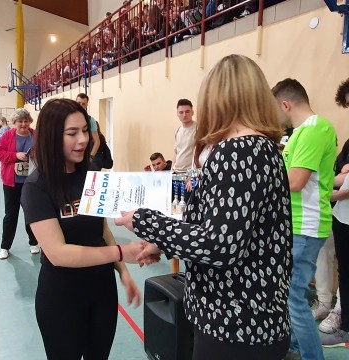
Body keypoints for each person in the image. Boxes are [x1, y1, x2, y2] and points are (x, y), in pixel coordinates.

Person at [116, 54, 292, 360]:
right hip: (252, 320)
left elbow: (218, 245)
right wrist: (163, 244)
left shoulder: (237, 152)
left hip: (235, 325)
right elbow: (224, 227)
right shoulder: (263, 148)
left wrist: (145, 221)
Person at [20, 98, 142, 359]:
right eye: (72, 133)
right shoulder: (36, 187)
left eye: (85, 130)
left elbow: (102, 230)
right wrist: (120, 254)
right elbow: (58, 253)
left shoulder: (92, 171)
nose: (83, 139)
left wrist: (123, 273)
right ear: (53, 136)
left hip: (101, 291)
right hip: (62, 297)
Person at [272, 78, 337, 360]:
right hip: (297, 225)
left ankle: (311, 355)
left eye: (275, 109)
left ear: (285, 104)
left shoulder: (314, 129)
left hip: (306, 227)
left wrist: (260, 181)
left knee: (294, 299)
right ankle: (297, 347)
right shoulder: (301, 132)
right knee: (291, 297)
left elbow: (295, 181)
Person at [320, 78, 349, 347]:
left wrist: (336, 183)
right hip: (342, 217)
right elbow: (337, 174)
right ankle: (342, 317)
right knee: (344, 269)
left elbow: (340, 180)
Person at [0, 108, 39, 259]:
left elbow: (44, 151)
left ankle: (33, 243)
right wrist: (15, 156)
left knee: (31, 214)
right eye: (20, 121)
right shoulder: (7, 135)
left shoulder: (35, 135)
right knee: (11, 215)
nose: (23, 124)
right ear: (14, 123)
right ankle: (5, 247)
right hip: (11, 183)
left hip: (31, 183)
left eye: (26, 121)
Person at [75, 93, 101, 170]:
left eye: (83, 104)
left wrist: (91, 157)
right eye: (78, 103)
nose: (80, 105)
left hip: (85, 156)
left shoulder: (91, 121)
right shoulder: (67, 118)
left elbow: (97, 141)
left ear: (86, 105)